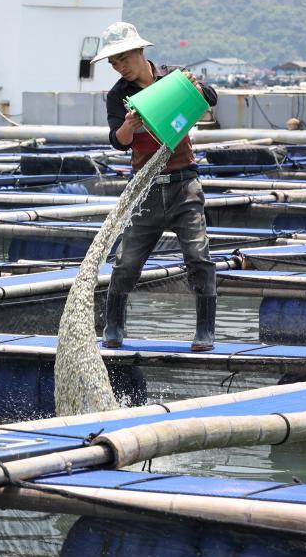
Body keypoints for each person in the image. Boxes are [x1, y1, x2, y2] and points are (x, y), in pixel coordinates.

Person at [91, 21, 219, 352]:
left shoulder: (172, 78)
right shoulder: (119, 96)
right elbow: (117, 142)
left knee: (198, 256)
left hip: (183, 182)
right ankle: (114, 325)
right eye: (114, 63)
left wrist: (195, 86)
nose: (120, 67)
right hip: (146, 186)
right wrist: (129, 127)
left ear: (139, 51)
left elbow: (210, 97)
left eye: (123, 59)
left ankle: (205, 331)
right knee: (127, 262)